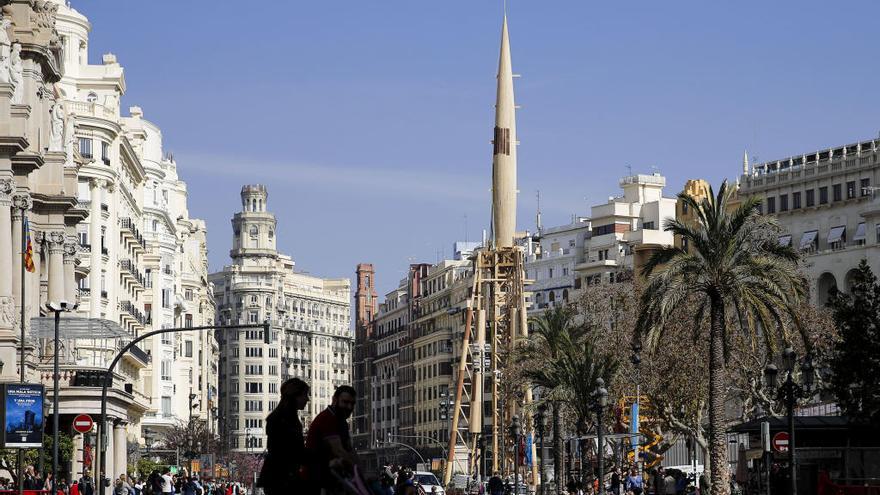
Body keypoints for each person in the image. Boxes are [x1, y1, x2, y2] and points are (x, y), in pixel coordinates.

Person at [257, 377, 310, 494]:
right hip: (282, 478)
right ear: (295, 396)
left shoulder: (280, 417)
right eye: (305, 395)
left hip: (276, 477)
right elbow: (294, 451)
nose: (307, 399)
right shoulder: (286, 420)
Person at [305, 385, 359, 493]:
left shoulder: (341, 421)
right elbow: (338, 450)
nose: (349, 407)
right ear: (334, 400)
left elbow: (350, 450)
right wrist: (358, 473)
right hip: (318, 480)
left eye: (352, 404)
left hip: (331, 479)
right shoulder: (328, 418)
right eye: (345, 402)